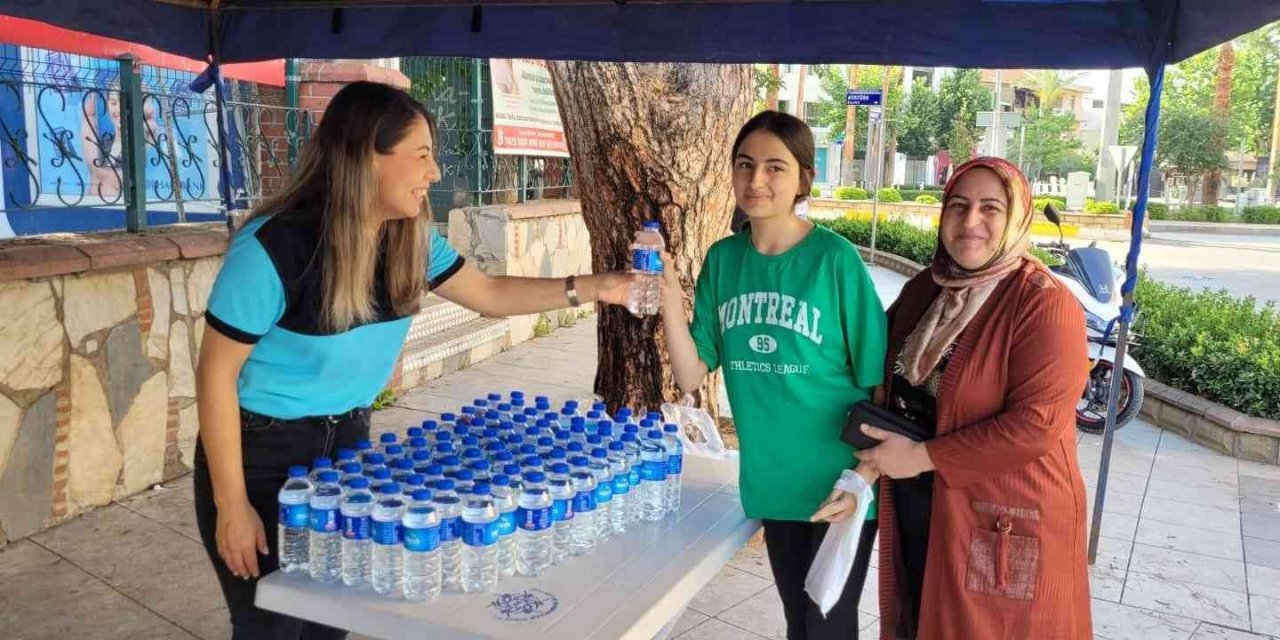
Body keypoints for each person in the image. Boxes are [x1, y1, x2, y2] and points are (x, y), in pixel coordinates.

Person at [193, 81, 634, 639]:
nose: (435, 172)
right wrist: (231, 503)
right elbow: (216, 374)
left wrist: (595, 287)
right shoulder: (273, 248)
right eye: (422, 155)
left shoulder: (409, 239)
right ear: (366, 156)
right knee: (271, 627)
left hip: (347, 451)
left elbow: (490, 294)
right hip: (261, 456)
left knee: (333, 620)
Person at [661, 110, 887, 640]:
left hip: (840, 482)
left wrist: (865, 476)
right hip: (772, 481)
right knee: (798, 623)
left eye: (774, 167)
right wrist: (669, 292)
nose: (756, 179)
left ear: (805, 177)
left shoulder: (834, 260)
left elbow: (880, 386)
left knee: (828, 627)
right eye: (744, 165)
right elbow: (691, 373)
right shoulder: (724, 261)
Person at [854, 157, 1092, 639]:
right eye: (958, 206)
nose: (970, 222)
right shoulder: (927, 290)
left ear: (1017, 217)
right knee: (922, 619)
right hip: (927, 504)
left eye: (991, 208)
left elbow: (1035, 426)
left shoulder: (1043, 303)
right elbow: (879, 368)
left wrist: (921, 456)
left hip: (1004, 518)